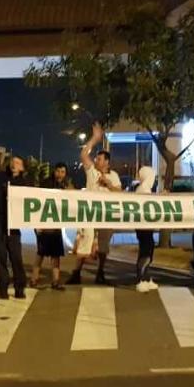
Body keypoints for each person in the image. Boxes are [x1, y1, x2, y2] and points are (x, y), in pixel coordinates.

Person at [67, 122, 122, 285]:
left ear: (107, 162)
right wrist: (94, 139)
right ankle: (76, 273)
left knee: (103, 247)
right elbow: (84, 155)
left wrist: (108, 184)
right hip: (90, 214)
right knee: (85, 241)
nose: (96, 161)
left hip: (106, 215)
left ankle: (100, 273)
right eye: (96, 158)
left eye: (99, 159)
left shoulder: (114, 176)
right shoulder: (92, 171)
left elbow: (120, 193)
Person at [0, 154, 31, 299]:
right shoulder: (0, 176)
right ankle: (3, 288)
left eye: (17, 163)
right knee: (1, 257)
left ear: (22, 168)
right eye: (13, 161)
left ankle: (19, 288)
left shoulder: (25, 183)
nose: (14, 164)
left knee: (16, 258)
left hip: (14, 225)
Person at [31, 163, 72, 290]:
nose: (60, 174)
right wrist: (38, 225)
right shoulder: (46, 183)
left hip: (55, 225)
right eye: (58, 171)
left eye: (63, 172)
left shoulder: (65, 185)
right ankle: (34, 279)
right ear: (54, 171)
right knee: (41, 253)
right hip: (43, 224)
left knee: (55, 254)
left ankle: (55, 281)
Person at [133, 165, 159, 293]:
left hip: (146, 226)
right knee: (145, 251)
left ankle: (146, 278)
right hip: (143, 227)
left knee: (148, 250)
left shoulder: (145, 188)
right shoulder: (143, 189)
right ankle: (140, 280)